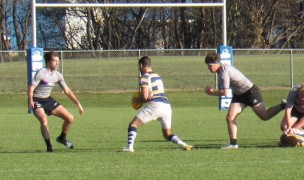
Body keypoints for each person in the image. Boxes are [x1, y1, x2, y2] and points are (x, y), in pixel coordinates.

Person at [204, 52, 285, 149]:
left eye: (210, 66)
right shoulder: (221, 68)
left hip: (250, 92)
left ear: (217, 63)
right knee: (230, 117)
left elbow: (225, 92)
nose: (209, 69)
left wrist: (211, 92)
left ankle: (283, 106)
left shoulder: (224, 72)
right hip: (239, 95)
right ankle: (233, 144)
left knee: (265, 116)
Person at [122, 56, 193, 152]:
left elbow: (144, 96)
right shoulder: (157, 76)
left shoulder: (144, 76)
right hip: (166, 106)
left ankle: (129, 147)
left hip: (155, 106)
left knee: (133, 125)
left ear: (141, 65)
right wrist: (146, 99)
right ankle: (183, 144)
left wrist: (138, 100)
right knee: (167, 134)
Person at [28, 51, 84, 152]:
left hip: (48, 100)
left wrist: (78, 104)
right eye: (55, 61)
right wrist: (30, 101)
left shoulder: (58, 75)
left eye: (58, 61)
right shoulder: (41, 73)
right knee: (44, 121)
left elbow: (67, 91)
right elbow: (31, 88)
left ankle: (62, 138)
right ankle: (49, 147)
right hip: (37, 100)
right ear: (48, 62)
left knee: (70, 118)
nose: (57, 63)